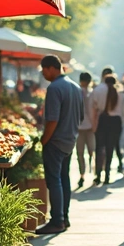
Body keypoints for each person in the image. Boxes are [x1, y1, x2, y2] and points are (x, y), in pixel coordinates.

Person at [35, 55, 84, 235]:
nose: (43, 74)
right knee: (64, 178)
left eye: (44, 70)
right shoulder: (75, 87)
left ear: (51, 68)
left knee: (54, 180)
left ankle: (57, 221)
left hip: (55, 142)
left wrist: (44, 140)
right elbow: (81, 117)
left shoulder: (54, 88)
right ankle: (64, 217)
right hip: (69, 140)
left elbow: (52, 120)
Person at [92, 74, 124, 185]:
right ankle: (107, 175)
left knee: (99, 148)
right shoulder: (120, 94)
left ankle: (98, 174)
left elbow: (94, 108)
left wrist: (94, 125)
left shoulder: (98, 90)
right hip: (116, 122)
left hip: (103, 120)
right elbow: (123, 110)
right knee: (110, 149)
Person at [75, 72, 97, 189]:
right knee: (92, 151)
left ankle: (82, 175)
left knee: (80, 153)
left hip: (79, 127)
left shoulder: (76, 92)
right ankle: (94, 173)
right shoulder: (92, 93)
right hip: (90, 127)